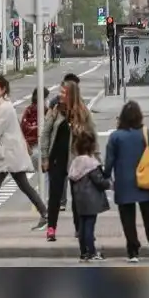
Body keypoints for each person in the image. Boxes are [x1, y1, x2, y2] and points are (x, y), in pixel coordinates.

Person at [0, 76, 48, 230]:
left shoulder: (4, 108)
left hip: (7, 155)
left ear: (3, 89)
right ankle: (45, 213)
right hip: (10, 153)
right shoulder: (2, 106)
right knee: (23, 186)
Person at [103, 101, 149, 263]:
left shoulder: (115, 136)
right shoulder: (146, 133)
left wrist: (107, 177)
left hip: (123, 183)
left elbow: (108, 163)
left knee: (127, 218)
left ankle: (133, 251)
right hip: (145, 180)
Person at [39, 80, 97, 242]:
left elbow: (92, 136)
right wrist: (44, 157)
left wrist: (95, 159)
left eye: (64, 93)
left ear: (72, 94)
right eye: (60, 92)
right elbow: (45, 134)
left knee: (77, 196)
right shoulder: (55, 110)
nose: (60, 95)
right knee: (55, 195)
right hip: (56, 159)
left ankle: (79, 229)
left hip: (76, 160)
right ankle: (51, 229)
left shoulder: (82, 112)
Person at [68, 129, 111, 262]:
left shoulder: (75, 163)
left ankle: (83, 252)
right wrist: (108, 184)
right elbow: (99, 181)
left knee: (82, 226)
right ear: (92, 146)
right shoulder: (91, 164)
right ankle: (91, 252)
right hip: (91, 200)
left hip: (79, 200)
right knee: (89, 227)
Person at [48, 73, 81, 211]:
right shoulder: (55, 104)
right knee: (59, 177)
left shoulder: (80, 106)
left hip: (74, 148)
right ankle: (59, 202)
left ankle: (74, 204)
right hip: (58, 149)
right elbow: (47, 128)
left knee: (74, 177)